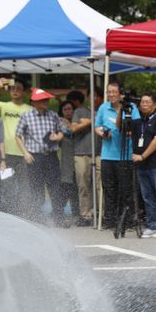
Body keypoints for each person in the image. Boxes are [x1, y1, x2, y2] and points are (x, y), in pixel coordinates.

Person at [15, 88, 67, 225]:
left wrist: (57, 136)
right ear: (34, 102)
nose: (46, 101)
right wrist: (25, 153)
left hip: (51, 156)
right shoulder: (26, 116)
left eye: (47, 99)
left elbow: (62, 131)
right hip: (34, 157)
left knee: (55, 187)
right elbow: (18, 136)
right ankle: (37, 218)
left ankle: (59, 218)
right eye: (42, 100)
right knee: (36, 188)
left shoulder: (53, 115)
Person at [94, 82, 140, 230]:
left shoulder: (131, 108)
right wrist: (102, 133)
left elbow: (137, 126)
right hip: (107, 155)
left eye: (114, 92)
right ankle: (110, 220)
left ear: (120, 94)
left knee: (126, 189)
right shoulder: (103, 107)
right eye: (109, 92)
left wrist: (130, 131)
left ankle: (127, 219)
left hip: (125, 155)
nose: (111, 95)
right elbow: (97, 127)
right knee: (109, 189)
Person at [130, 93, 156, 239]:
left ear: (154, 105)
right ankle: (152, 225)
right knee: (147, 197)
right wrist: (124, 108)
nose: (144, 104)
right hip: (142, 166)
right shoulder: (138, 122)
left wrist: (142, 156)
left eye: (147, 102)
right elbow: (120, 127)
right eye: (142, 102)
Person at [0, 77, 32, 217]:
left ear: (25, 92)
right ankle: (8, 215)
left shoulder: (30, 109)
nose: (15, 91)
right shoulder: (3, 106)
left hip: (25, 154)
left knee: (25, 187)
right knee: (6, 185)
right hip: (5, 155)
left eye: (19, 88)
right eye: (13, 88)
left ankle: (24, 214)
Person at [66, 90, 95, 226]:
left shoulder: (103, 110)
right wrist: (90, 121)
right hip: (81, 153)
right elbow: (73, 128)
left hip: (98, 152)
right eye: (92, 96)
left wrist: (87, 122)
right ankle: (85, 214)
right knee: (83, 184)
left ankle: (99, 212)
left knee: (98, 185)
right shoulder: (79, 111)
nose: (94, 98)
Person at [57, 100, 78, 225]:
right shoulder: (59, 124)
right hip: (65, 159)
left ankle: (76, 214)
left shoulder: (78, 124)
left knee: (76, 189)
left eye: (70, 109)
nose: (68, 111)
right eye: (65, 109)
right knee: (65, 187)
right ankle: (59, 213)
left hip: (78, 158)